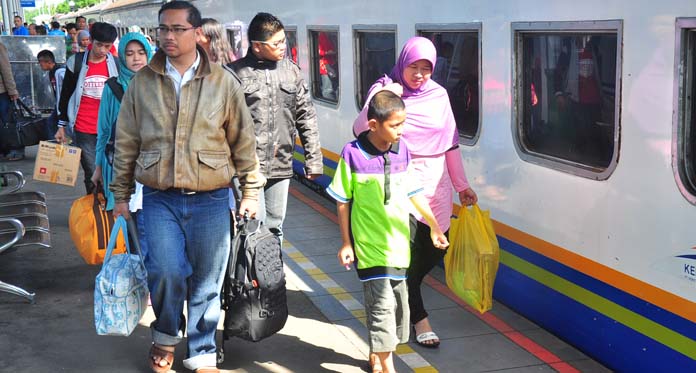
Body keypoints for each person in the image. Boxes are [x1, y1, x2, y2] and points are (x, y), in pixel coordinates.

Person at [109, 2, 264, 372]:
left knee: (206, 281)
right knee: (165, 270)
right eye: (163, 29)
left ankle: (202, 350)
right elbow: (126, 141)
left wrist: (251, 191)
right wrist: (119, 196)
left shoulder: (223, 82)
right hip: (160, 197)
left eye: (177, 29)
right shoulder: (143, 82)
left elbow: (243, 140)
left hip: (211, 198)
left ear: (197, 33)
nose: (168, 36)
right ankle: (165, 334)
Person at [353, 36, 478, 349]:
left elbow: (450, 142)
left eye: (427, 68)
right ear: (402, 63)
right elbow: (359, 129)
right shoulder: (387, 89)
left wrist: (462, 185)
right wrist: (383, 95)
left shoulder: (439, 96)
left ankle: (404, 302)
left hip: (437, 185)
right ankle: (417, 319)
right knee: (402, 257)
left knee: (434, 250)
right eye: (414, 66)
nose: (420, 73)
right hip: (400, 182)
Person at [330, 91, 449, 373]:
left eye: (403, 123)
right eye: (395, 125)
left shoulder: (402, 150)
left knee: (397, 308)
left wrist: (432, 225)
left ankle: (378, 353)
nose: (401, 130)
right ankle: (387, 366)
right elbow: (343, 201)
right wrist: (347, 243)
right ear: (373, 125)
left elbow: (414, 191)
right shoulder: (352, 154)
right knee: (382, 306)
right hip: (369, 247)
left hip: (399, 245)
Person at [230, 12, 322, 241]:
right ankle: (247, 276)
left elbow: (306, 116)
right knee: (251, 224)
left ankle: (271, 274)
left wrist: (313, 159)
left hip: (281, 163)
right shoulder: (233, 74)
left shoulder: (291, 71)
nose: (284, 47)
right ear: (257, 46)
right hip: (246, 166)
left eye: (284, 40)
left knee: (274, 226)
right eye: (277, 43)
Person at [91, 32, 153, 258]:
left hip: (153, 166)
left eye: (141, 53)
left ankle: (149, 278)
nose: (136, 58)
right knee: (131, 226)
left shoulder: (159, 83)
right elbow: (104, 131)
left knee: (150, 227)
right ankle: (139, 275)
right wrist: (98, 166)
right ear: (122, 58)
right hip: (120, 167)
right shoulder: (112, 88)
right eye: (129, 54)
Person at [56, 22, 119, 194]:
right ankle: (95, 213)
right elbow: (66, 95)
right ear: (91, 40)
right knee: (92, 171)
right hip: (84, 127)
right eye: (99, 45)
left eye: (108, 46)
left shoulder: (116, 64)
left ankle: (109, 211)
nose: (102, 50)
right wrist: (61, 125)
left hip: (111, 128)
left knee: (112, 172)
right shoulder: (75, 63)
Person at [37, 50, 65, 140]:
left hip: (64, 105)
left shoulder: (60, 72)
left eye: (40, 62)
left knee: (51, 123)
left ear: (48, 62)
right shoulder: (51, 72)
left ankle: (53, 146)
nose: (39, 65)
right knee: (51, 123)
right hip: (59, 105)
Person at [0, 40, 20, 161]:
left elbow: (5, 69)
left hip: (2, 91)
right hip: (2, 91)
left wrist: (12, 90)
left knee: (7, 121)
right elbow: (5, 69)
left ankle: (10, 148)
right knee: (6, 121)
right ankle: (8, 149)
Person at [317, 31, 337, 99]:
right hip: (326, 65)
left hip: (329, 65)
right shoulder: (322, 35)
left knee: (330, 89)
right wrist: (326, 52)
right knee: (329, 89)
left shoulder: (324, 34)